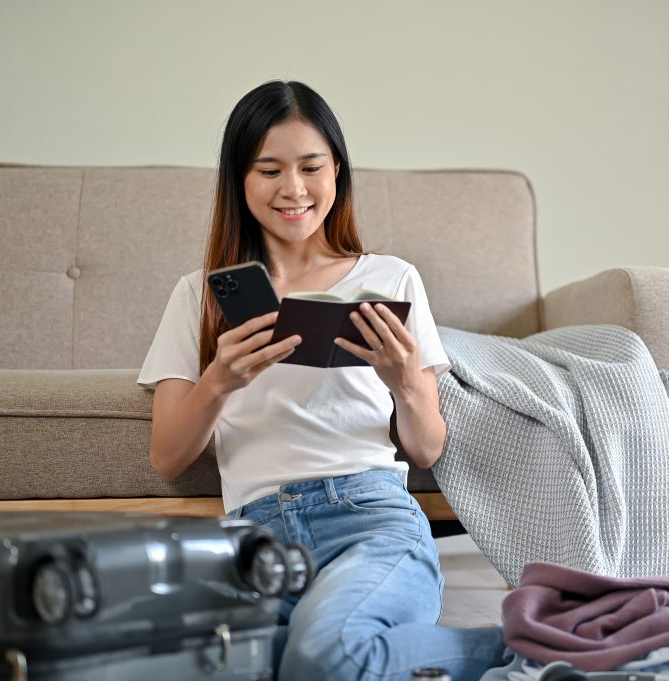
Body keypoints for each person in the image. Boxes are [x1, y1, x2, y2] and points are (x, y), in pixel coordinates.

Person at [137, 80, 505, 681]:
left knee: (324, 656)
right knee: (212, 668)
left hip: (369, 518)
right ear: (239, 180)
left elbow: (427, 447)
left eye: (312, 167)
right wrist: (219, 381)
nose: (294, 189)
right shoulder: (200, 294)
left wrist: (406, 382)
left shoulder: (391, 278)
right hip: (258, 539)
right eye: (269, 170)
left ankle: (523, 649)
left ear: (337, 172)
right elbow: (168, 457)